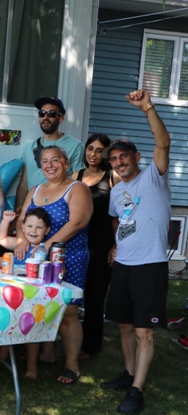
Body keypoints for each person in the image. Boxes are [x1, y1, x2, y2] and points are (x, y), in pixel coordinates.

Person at [100, 89, 171, 415]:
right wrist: (118, 243)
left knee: (144, 331)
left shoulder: (154, 178)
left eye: (123, 156)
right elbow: (122, 220)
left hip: (150, 265)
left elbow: (163, 142)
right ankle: (129, 373)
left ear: (136, 156)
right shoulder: (116, 191)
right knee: (125, 326)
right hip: (125, 265)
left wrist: (147, 108)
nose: (118, 162)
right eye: (113, 159)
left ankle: (137, 390)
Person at [15, 146, 92, 385]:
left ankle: (72, 365)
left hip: (69, 257)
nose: (49, 165)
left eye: (55, 160)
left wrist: (47, 244)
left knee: (68, 310)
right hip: (37, 257)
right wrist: (20, 239)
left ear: (66, 162)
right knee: (37, 303)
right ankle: (45, 353)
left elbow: (77, 222)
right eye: (44, 161)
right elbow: (21, 219)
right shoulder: (36, 189)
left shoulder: (77, 188)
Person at [71, 133, 120, 357]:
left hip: (103, 244)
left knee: (95, 296)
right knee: (72, 294)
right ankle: (68, 338)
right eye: (90, 149)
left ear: (106, 154)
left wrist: (116, 245)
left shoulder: (113, 177)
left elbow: (121, 215)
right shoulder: (76, 175)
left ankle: (91, 346)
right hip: (78, 242)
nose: (93, 154)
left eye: (99, 150)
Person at [0, 208, 52, 378]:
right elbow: (1, 239)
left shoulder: (45, 248)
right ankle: (2, 355)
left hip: (34, 298)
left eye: (39, 228)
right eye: (30, 226)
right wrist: (6, 221)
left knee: (32, 329)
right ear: (23, 227)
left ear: (47, 230)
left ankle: (31, 367)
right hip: (14, 296)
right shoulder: (20, 244)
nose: (33, 231)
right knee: (7, 322)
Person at [15, 96, 85, 212]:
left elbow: (77, 179)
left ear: (61, 118)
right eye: (42, 113)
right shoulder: (29, 147)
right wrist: (19, 210)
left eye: (51, 114)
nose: (45, 117)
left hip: (59, 208)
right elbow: (24, 182)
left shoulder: (76, 145)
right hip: (33, 208)